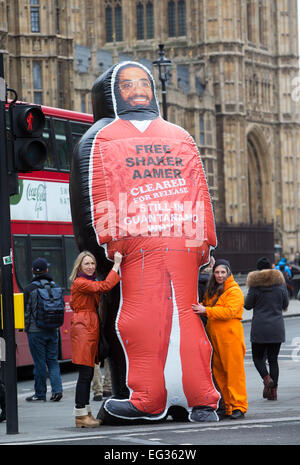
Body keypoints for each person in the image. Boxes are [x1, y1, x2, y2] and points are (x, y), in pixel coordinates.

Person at [70, 250, 122, 428]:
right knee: (85, 374)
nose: (91, 266)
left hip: (88, 326)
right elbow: (105, 286)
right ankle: (81, 415)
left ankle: (85, 413)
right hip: (84, 328)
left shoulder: (85, 282)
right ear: (80, 266)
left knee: (88, 372)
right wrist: (116, 264)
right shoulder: (81, 282)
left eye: (92, 263)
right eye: (87, 263)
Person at [192, 259, 248, 420]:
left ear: (228, 273)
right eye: (217, 272)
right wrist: (201, 308)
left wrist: (205, 310)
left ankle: (239, 406)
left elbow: (228, 312)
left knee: (234, 374)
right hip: (216, 336)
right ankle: (228, 407)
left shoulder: (235, 291)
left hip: (230, 337)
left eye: (223, 272)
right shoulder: (213, 290)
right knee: (219, 374)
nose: (219, 275)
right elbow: (206, 307)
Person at [244, 257, 289, 401]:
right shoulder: (280, 284)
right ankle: (273, 391)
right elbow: (285, 303)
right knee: (273, 360)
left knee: (258, 358)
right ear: (270, 268)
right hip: (276, 327)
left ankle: (266, 378)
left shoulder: (255, 286)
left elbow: (248, 305)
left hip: (260, 328)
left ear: (258, 270)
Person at [24, 258, 63, 402]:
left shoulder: (29, 289)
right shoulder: (55, 286)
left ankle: (40, 394)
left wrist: (26, 329)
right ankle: (57, 391)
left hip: (35, 331)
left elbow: (26, 311)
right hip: (53, 329)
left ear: (33, 271)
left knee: (39, 362)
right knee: (53, 361)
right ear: (47, 270)